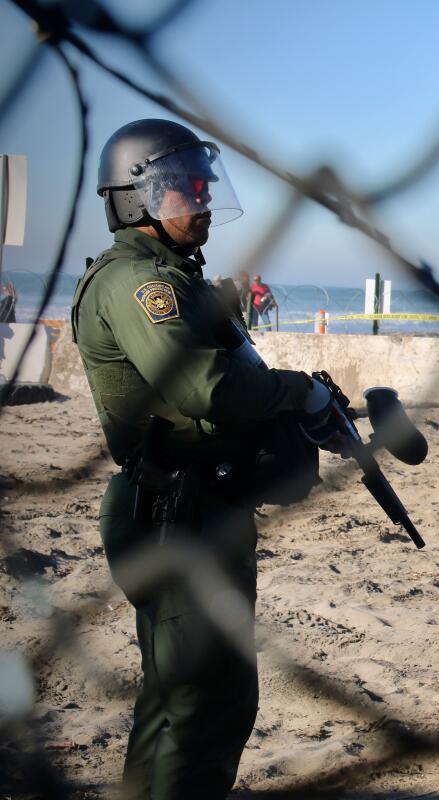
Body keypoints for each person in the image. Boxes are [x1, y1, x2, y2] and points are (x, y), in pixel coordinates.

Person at [72, 118, 344, 797]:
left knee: (179, 701)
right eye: (182, 188)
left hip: (202, 505)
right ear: (136, 198)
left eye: (202, 184)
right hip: (177, 511)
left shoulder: (174, 277)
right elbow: (204, 385)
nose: (201, 199)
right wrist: (299, 391)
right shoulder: (141, 284)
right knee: (206, 702)